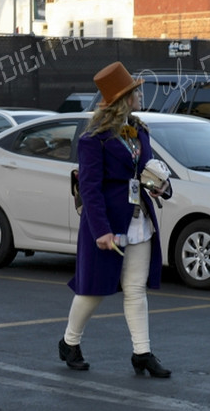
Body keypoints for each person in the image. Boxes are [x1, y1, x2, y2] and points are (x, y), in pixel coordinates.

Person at [58, 61, 172, 377]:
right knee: (92, 290)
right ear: (124, 98)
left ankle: (142, 353)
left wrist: (162, 186)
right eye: (135, 92)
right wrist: (101, 231)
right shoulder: (93, 139)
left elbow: (148, 170)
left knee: (135, 288)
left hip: (139, 220)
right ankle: (70, 342)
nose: (140, 96)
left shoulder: (139, 131)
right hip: (107, 223)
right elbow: (90, 188)